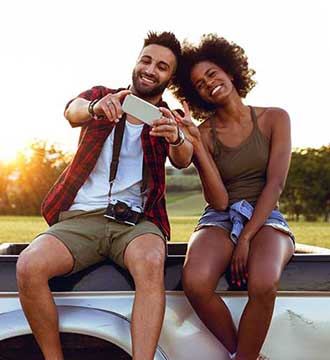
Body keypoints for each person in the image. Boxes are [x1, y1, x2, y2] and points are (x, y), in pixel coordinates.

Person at [16, 31, 193, 360]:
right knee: (29, 264)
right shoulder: (103, 96)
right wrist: (96, 107)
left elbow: (184, 159)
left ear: (170, 77)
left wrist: (178, 138)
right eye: (146, 60)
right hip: (81, 217)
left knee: (152, 261)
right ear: (136, 62)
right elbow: (72, 111)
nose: (151, 69)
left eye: (162, 67)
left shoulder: (167, 117)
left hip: (136, 222)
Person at [171, 34, 295, 360]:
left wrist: (247, 238)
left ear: (229, 71)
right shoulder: (204, 132)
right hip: (220, 217)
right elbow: (219, 201)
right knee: (196, 282)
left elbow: (275, 184)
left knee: (264, 283)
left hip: (265, 215)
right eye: (199, 83)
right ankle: (247, 356)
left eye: (212, 73)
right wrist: (196, 144)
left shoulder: (275, 118)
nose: (209, 83)